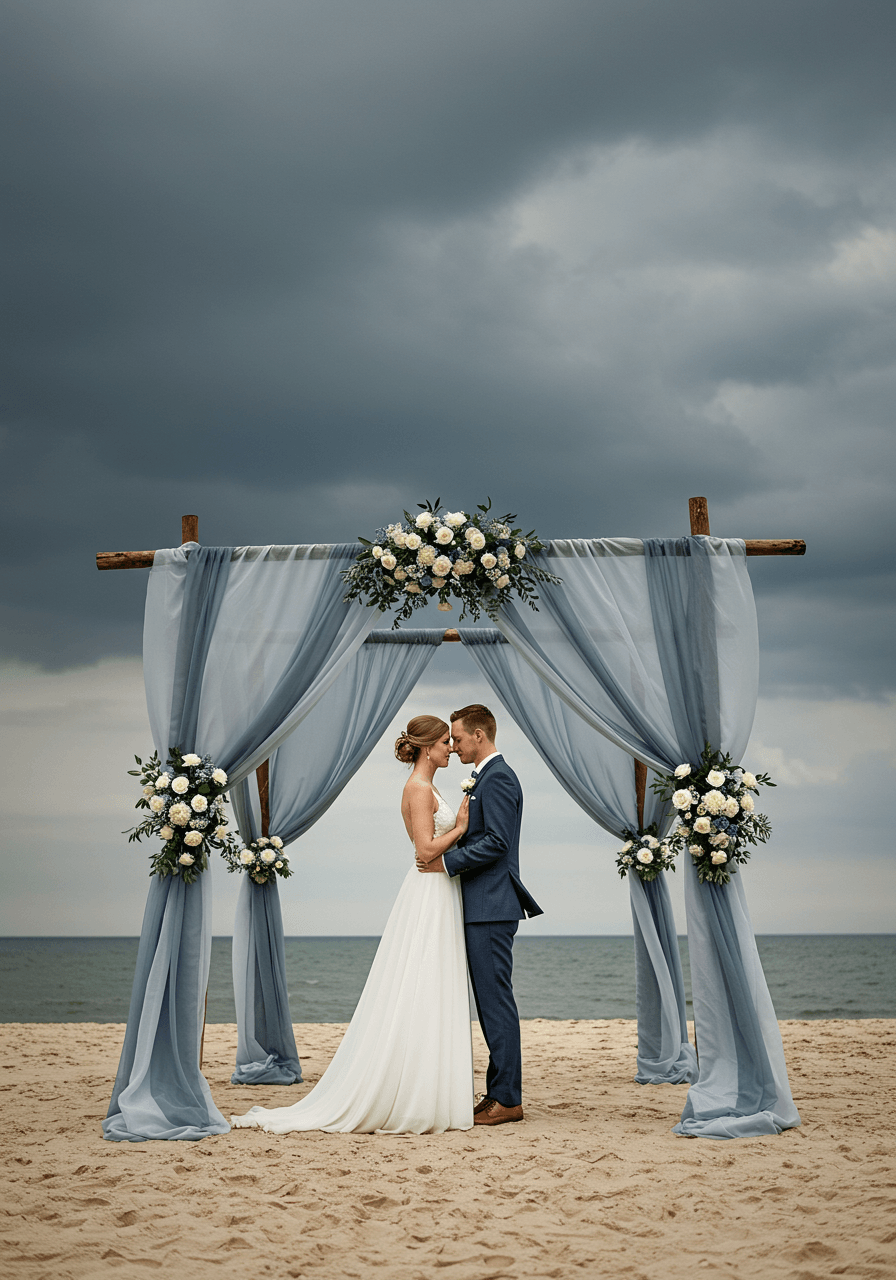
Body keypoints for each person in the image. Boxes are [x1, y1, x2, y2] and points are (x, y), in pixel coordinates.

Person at [230, 715, 474, 1135]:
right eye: (445, 743)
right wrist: (463, 829)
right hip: (428, 892)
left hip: (441, 890)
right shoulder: (417, 789)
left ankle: (432, 1085)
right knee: (421, 982)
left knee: (433, 984)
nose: (451, 748)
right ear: (427, 747)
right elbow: (424, 849)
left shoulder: (431, 787)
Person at [417, 704, 543, 1126]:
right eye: (449, 740)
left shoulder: (500, 777)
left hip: (491, 905)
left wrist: (446, 864)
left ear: (479, 736)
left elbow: (498, 843)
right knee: (490, 1003)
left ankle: (507, 1099)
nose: (453, 745)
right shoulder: (485, 777)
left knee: (495, 1003)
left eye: (456, 738)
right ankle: (497, 1093)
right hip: (480, 906)